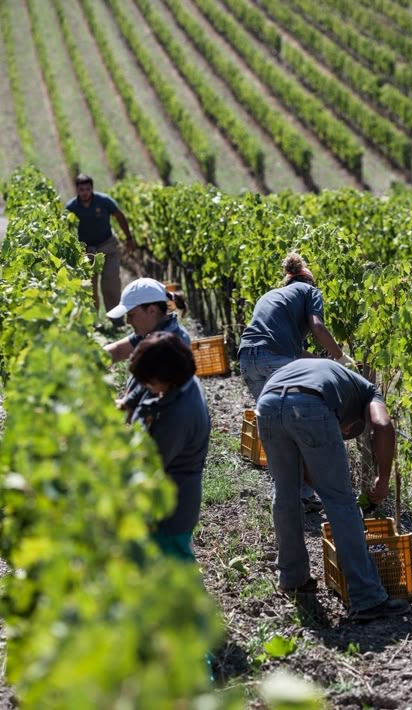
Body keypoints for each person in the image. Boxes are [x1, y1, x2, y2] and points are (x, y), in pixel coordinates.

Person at [255, 358, 411, 621]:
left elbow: (306, 468)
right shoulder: (371, 392)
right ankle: (367, 598)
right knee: (341, 503)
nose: (344, 432)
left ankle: (293, 579)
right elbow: (384, 426)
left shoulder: (332, 379)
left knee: (285, 494)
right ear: (358, 416)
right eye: (346, 431)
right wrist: (383, 480)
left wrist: (327, 485)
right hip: (308, 404)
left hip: (267, 404)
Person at [238, 252, 356, 510]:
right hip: (274, 359)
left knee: (279, 428)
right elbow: (318, 328)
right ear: (308, 280)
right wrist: (340, 357)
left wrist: (323, 359)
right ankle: (322, 491)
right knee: (302, 425)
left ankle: (297, 494)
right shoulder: (309, 292)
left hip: (248, 359)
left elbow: (294, 352)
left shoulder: (273, 296)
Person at [128, 332, 210, 560]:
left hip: (170, 510)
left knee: (178, 574)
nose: (146, 387)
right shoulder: (184, 382)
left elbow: (149, 464)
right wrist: (128, 403)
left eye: (149, 382)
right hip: (171, 501)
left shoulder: (178, 415)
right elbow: (143, 389)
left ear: (164, 377)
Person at [105, 277, 190, 418]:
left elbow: (140, 405)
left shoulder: (169, 346)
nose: (127, 321)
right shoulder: (152, 330)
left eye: (131, 315)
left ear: (151, 310)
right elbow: (118, 351)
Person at [66, 173, 134, 321]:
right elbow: (65, 229)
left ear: (92, 189)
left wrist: (128, 237)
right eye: (81, 190)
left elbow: (119, 216)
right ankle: (92, 320)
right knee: (89, 287)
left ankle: (116, 319)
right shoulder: (71, 207)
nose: (85, 193)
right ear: (77, 190)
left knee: (111, 282)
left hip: (107, 246)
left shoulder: (104, 201)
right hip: (87, 251)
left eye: (87, 189)